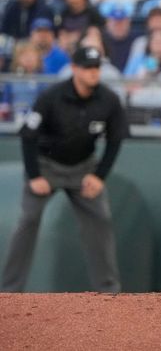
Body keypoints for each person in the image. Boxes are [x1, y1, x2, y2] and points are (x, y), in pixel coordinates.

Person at [1, 46, 129, 293]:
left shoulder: (108, 99)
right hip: (47, 166)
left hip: (83, 168)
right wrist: (35, 175)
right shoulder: (52, 96)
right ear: (74, 69)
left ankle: (109, 291)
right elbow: (28, 136)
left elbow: (116, 139)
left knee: (101, 221)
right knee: (27, 220)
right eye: (88, 68)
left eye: (96, 68)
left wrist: (99, 176)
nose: (93, 73)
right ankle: (9, 291)